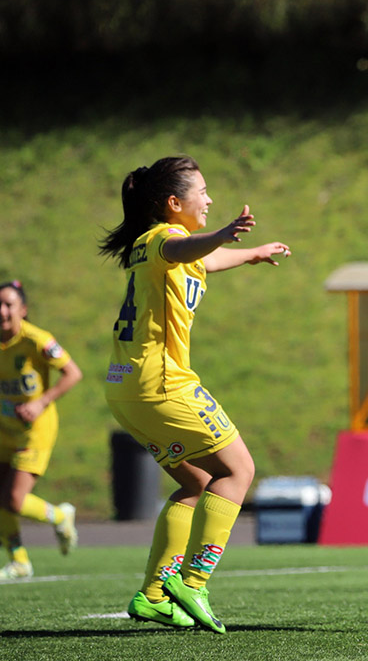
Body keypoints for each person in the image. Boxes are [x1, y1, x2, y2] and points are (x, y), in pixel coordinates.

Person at [99, 156, 290, 632]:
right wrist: (224, 232)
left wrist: (251, 251)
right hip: (164, 384)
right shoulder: (165, 238)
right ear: (173, 203)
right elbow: (189, 250)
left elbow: (201, 258)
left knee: (196, 484)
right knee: (239, 470)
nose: (208, 198)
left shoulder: (152, 245)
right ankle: (195, 581)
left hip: (126, 387)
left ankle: (154, 594)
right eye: (202, 191)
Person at [0, 280, 82, 580]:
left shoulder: (37, 340)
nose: (2, 311)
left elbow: (73, 373)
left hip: (35, 430)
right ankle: (19, 561)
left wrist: (40, 402)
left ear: (23, 310)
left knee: (13, 500)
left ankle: (60, 516)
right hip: (4, 429)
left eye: (9, 304)